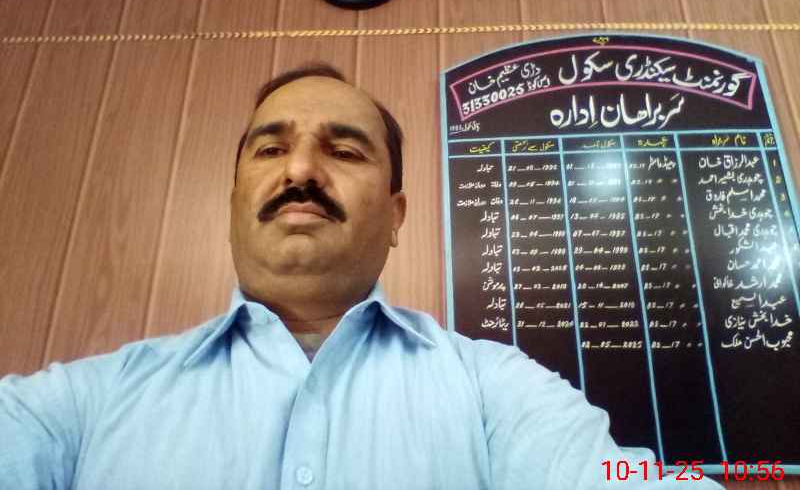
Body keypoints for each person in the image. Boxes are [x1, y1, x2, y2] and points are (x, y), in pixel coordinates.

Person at [0, 64, 721, 489]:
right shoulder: (83, 404)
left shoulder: (496, 390)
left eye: (344, 152)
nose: (301, 170)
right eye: (269, 149)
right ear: (233, 200)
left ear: (396, 215)